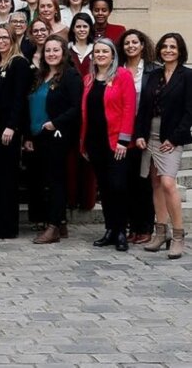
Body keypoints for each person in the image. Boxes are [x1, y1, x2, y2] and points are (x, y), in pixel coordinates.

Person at [136, 32, 192, 259]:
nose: (168, 50)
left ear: (180, 51)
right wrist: (140, 134)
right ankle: (161, 232)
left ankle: (178, 236)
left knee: (168, 182)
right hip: (151, 135)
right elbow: (144, 108)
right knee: (156, 183)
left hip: (172, 137)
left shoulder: (187, 76)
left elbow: (189, 112)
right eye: (165, 46)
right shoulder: (154, 74)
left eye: (173, 47)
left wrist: (175, 138)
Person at [23, 35, 83, 245]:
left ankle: (54, 226)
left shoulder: (71, 76)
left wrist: (55, 123)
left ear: (64, 52)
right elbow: (30, 106)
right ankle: (61, 222)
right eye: (48, 50)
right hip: (37, 136)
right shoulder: (40, 75)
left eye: (56, 50)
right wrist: (29, 135)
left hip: (57, 135)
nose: (51, 54)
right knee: (44, 181)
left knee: (56, 181)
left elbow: (76, 108)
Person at [81, 37, 136, 252]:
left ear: (113, 54)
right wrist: (83, 143)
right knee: (104, 187)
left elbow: (129, 108)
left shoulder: (123, 76)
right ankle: (110, 229)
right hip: (95, 142)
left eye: (105, 51)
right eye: (97, 52)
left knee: (118, 186)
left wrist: (124, 139)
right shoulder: (89, 79)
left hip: (116, 142)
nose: (101, 55)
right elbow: (85, 112)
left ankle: (122, 230)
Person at [0, 24, 31, 239]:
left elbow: (20, 98)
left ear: (13, 40)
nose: (1, 41)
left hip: (7, 127)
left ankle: (8, 226)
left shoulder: (18, 64)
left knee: (6, 177)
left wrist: (12, 126)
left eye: (5, 38)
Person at [120, 28, 156, 244]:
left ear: (143, 45)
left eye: (135, 42)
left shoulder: (152, 70)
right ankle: (132, 226)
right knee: (128, 181)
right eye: (127, 43)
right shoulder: (118, 69)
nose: (131, 46)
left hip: (144, 132)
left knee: (144, 182)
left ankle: (146, 227)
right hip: (123, 132)